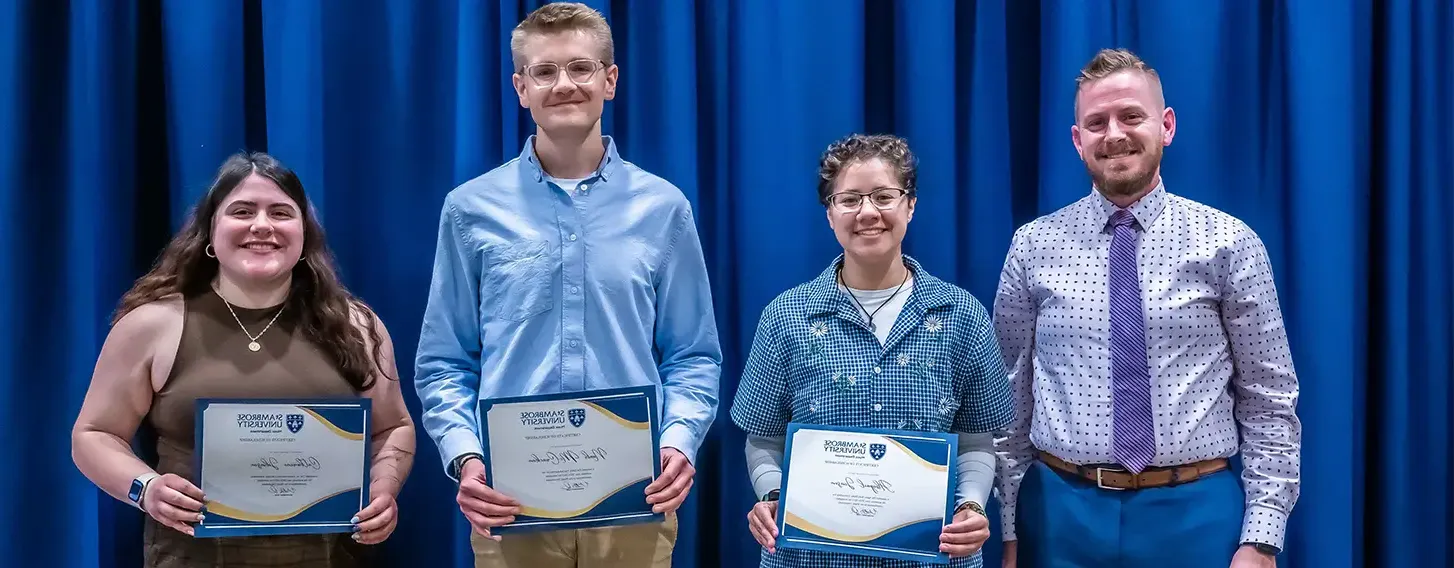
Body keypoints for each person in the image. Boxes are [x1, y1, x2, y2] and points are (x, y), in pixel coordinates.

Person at [413, 3, 722, 567]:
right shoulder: (468, 210)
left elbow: (694, 355)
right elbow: (443, 361)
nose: (564, 85)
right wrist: (467, 458)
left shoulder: (663, 209)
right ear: (520, 87)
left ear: (610, 80)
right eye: (544, 72)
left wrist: (678, 441)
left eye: (581, 68)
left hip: (636, 502)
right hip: (511, 507)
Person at [992, 48, 1302, 568]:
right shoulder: (1033, 245)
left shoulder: (1230, 243)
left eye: (1131, 116)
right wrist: (1009, 533)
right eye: (1096, 122)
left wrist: (1262, 540)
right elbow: (1009, 402)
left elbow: (1269, 400)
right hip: (1057, 519)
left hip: (1197, 517)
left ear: (1166, 126)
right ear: (1077, 140)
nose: (1114, 134)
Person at [70, 152, 417, 567]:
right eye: (242, 211)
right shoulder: (152, 324)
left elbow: (393, 426)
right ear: (209, 235)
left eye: (281, 212)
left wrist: (383, 490)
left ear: (304, 235)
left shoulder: (357, 325)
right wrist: (144, 488)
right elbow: (93, 434)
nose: (262, 225)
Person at [729, 133, 1016, 568]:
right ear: (829, 213)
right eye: (849, 200)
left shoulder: (962, 315)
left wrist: (972, 506)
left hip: (932, 558)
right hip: (810, 558)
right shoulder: (785, 318)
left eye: (884, 196)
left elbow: (977, 438)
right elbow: (763, 439)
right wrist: (772, 497)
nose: (867, 213)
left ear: (910, 205)